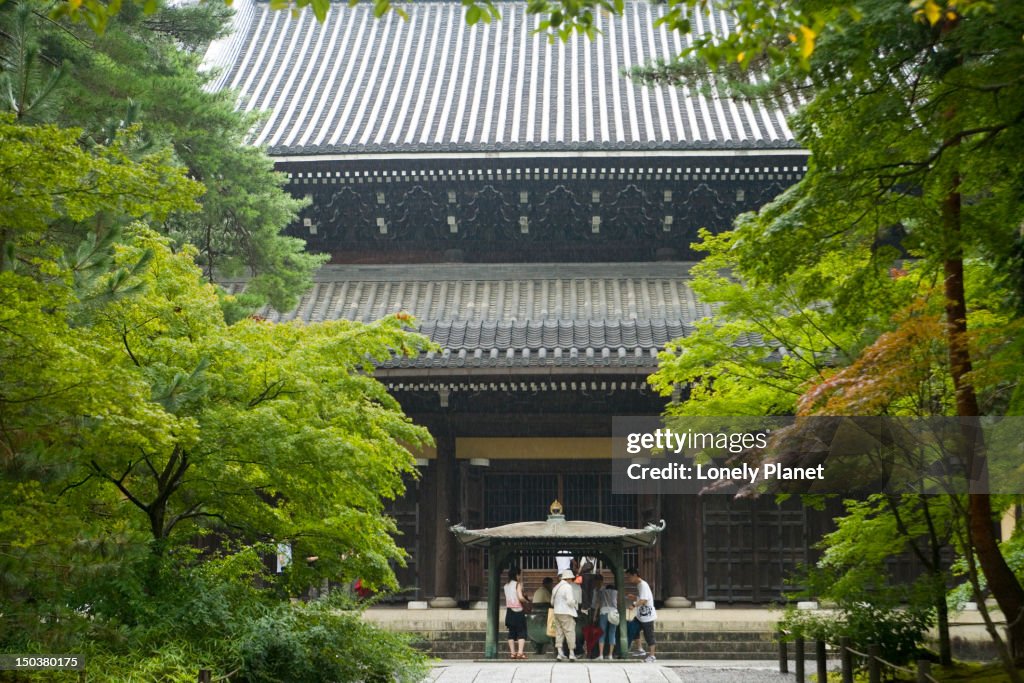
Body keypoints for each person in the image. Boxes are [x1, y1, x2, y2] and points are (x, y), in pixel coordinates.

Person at [625, 567, 657, 663]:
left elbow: (644, 600)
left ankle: (652, 656)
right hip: (640, 615)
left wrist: (634, 605)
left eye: (629, 577)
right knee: (632, 628)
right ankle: (640, 649)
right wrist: (635, 597)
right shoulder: (639, 585)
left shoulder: (643, 585)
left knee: (649, 635)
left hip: (647, 616)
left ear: (635, 575)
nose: (628, 579)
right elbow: (642, 597)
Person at [551, 569, 579, 661]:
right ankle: (571, 653)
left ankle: (560, 653)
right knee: (569, 631)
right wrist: (576, 602)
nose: (572, 580)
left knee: (559, 632)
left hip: (557, 612)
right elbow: (570, 601)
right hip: (566, 612)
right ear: (568, 578)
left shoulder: (556, 587)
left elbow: (552, 602)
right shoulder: (567, 587)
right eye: (571, 579)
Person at [504, 566, 530, 659]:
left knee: (511, 632)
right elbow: (520, 597)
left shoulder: (506, 586)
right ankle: (520, 652)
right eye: (519, 574)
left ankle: (512, 653)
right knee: (521, 631)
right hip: (518, 611)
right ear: (516, 575)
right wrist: (526, 601)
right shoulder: (517, 585)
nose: (519, 576)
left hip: (509, 611)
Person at [594, 574, 618, 660]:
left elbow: (598, 604)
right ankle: (610, 655)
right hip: (614, 613)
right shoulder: (616, 593)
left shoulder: (602, 592)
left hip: (604, 612)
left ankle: (601, 655)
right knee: (612, 634)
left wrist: (595, 615)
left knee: (602, 634)